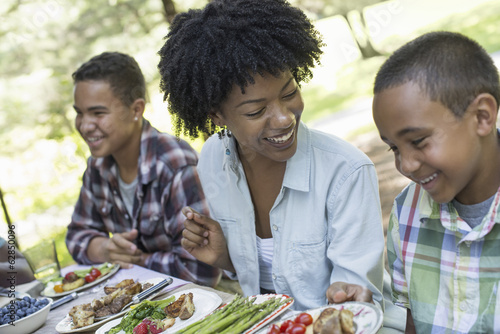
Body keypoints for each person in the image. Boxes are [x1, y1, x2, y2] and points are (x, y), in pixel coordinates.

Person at [158, 0, 405, 331]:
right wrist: (224, 258)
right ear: (217, 115)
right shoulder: (214, 159)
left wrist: (344, 294)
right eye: (256, 111)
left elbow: (353, 309)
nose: (284, 118)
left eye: (289, 93)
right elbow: (264, 279)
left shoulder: (345, 171)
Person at [372, 31, 500, 333]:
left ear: (482, 117)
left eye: (418, 141)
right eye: (394, 148)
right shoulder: (406, 213)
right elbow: (413, 324)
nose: (406, 165)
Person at [65, 52, 221, 287]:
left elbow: (202, 270)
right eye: (79, 112)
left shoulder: (174, 166)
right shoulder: (98, 166)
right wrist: (105, 249)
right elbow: (76, 234)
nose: (85, 125)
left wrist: (135, 261)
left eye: (98, 113)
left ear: (136, 110)